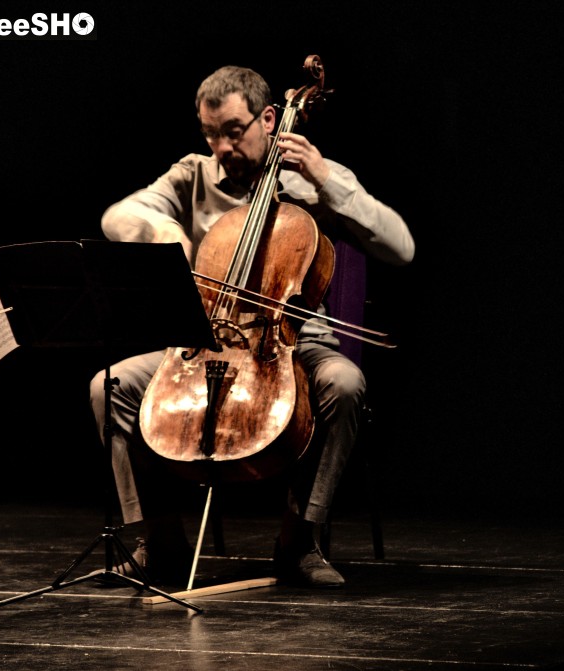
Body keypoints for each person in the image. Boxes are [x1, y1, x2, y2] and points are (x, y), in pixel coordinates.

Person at [89, 65, 414, 588]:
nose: (221, 146)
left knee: (345, 386)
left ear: (269, 119)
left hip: (290, 344)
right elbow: (117, 217)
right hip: (202, 341)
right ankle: (159, 538)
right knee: (110, 386)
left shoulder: (314, 180)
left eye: (233, 131)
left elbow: (401, 247)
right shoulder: (192, 175)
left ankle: (300, 540)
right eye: (211, 133)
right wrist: (167, 233)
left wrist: (326, 178)